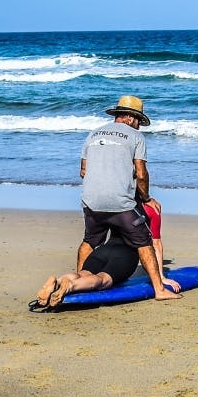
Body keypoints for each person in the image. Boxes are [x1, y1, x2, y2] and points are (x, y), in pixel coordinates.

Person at [80, 95, 179, 301]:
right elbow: (141, 173)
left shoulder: (93, 133)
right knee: (144, 241)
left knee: (90, 241)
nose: (139, 126)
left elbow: (83, 171)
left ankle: (80, 282)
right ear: (132, 118)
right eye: (139, 122)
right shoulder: (135, 137)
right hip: (120, 202)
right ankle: (159, 290)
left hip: (90, 200)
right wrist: (146, 197)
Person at [35, 236, 141, 309]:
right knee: (103, 279)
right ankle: (69, 286)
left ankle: (57, 282)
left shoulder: (121, 207)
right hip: (126, 254)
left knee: (83, 274)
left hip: (103, 250)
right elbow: (155, 244)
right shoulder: (150, 210)